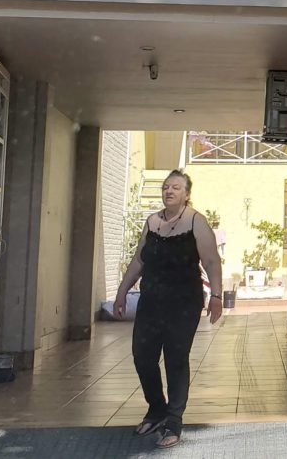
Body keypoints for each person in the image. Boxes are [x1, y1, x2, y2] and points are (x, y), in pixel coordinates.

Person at [115, 168, 223, 449]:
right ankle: (157, 409)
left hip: (184, 301)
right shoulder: (152, 222)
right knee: (142, 355)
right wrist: (122, 291)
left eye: (176, 187)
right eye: (166, 186)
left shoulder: (196, 222)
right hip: (151, 300)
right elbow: (139, 260)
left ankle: (174, 419)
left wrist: (217, 296)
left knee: (176, 357)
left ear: (186, 194)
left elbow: (212, 261)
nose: (169, 191)